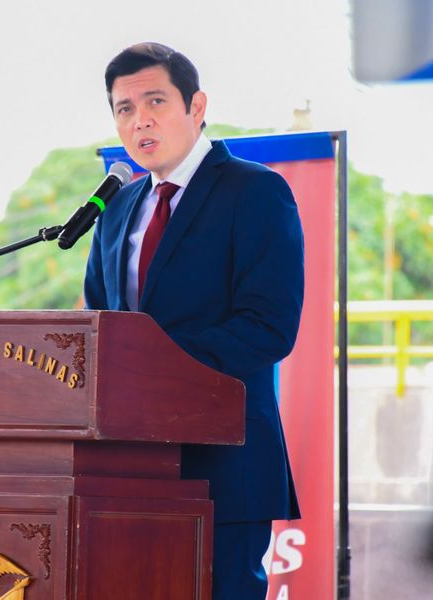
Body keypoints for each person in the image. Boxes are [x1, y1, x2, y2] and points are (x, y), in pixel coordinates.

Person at [84, 43, 304, 599]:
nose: (140, 119)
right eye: (125, 108)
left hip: (224, 462)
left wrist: (152, 368)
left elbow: (269, 326)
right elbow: (98, 329)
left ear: (197, 106)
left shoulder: (255, 191)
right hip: (127, 469)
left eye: (155, 101)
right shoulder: (115, 211)